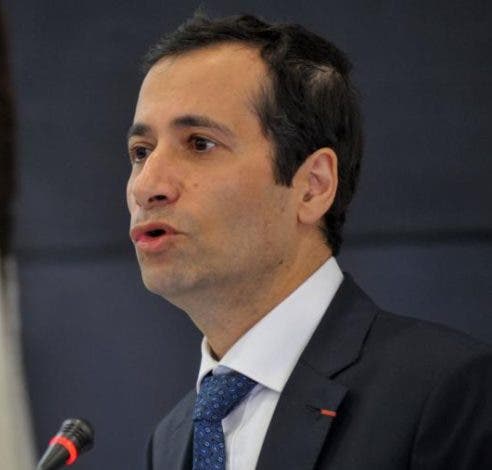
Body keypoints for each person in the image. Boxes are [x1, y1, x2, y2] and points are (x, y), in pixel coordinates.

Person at [126, 14, 492, 470]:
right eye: (141, 152)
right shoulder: (170, 442)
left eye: (200, 143)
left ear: (313, 186)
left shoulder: (447, 393)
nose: (147, 185)